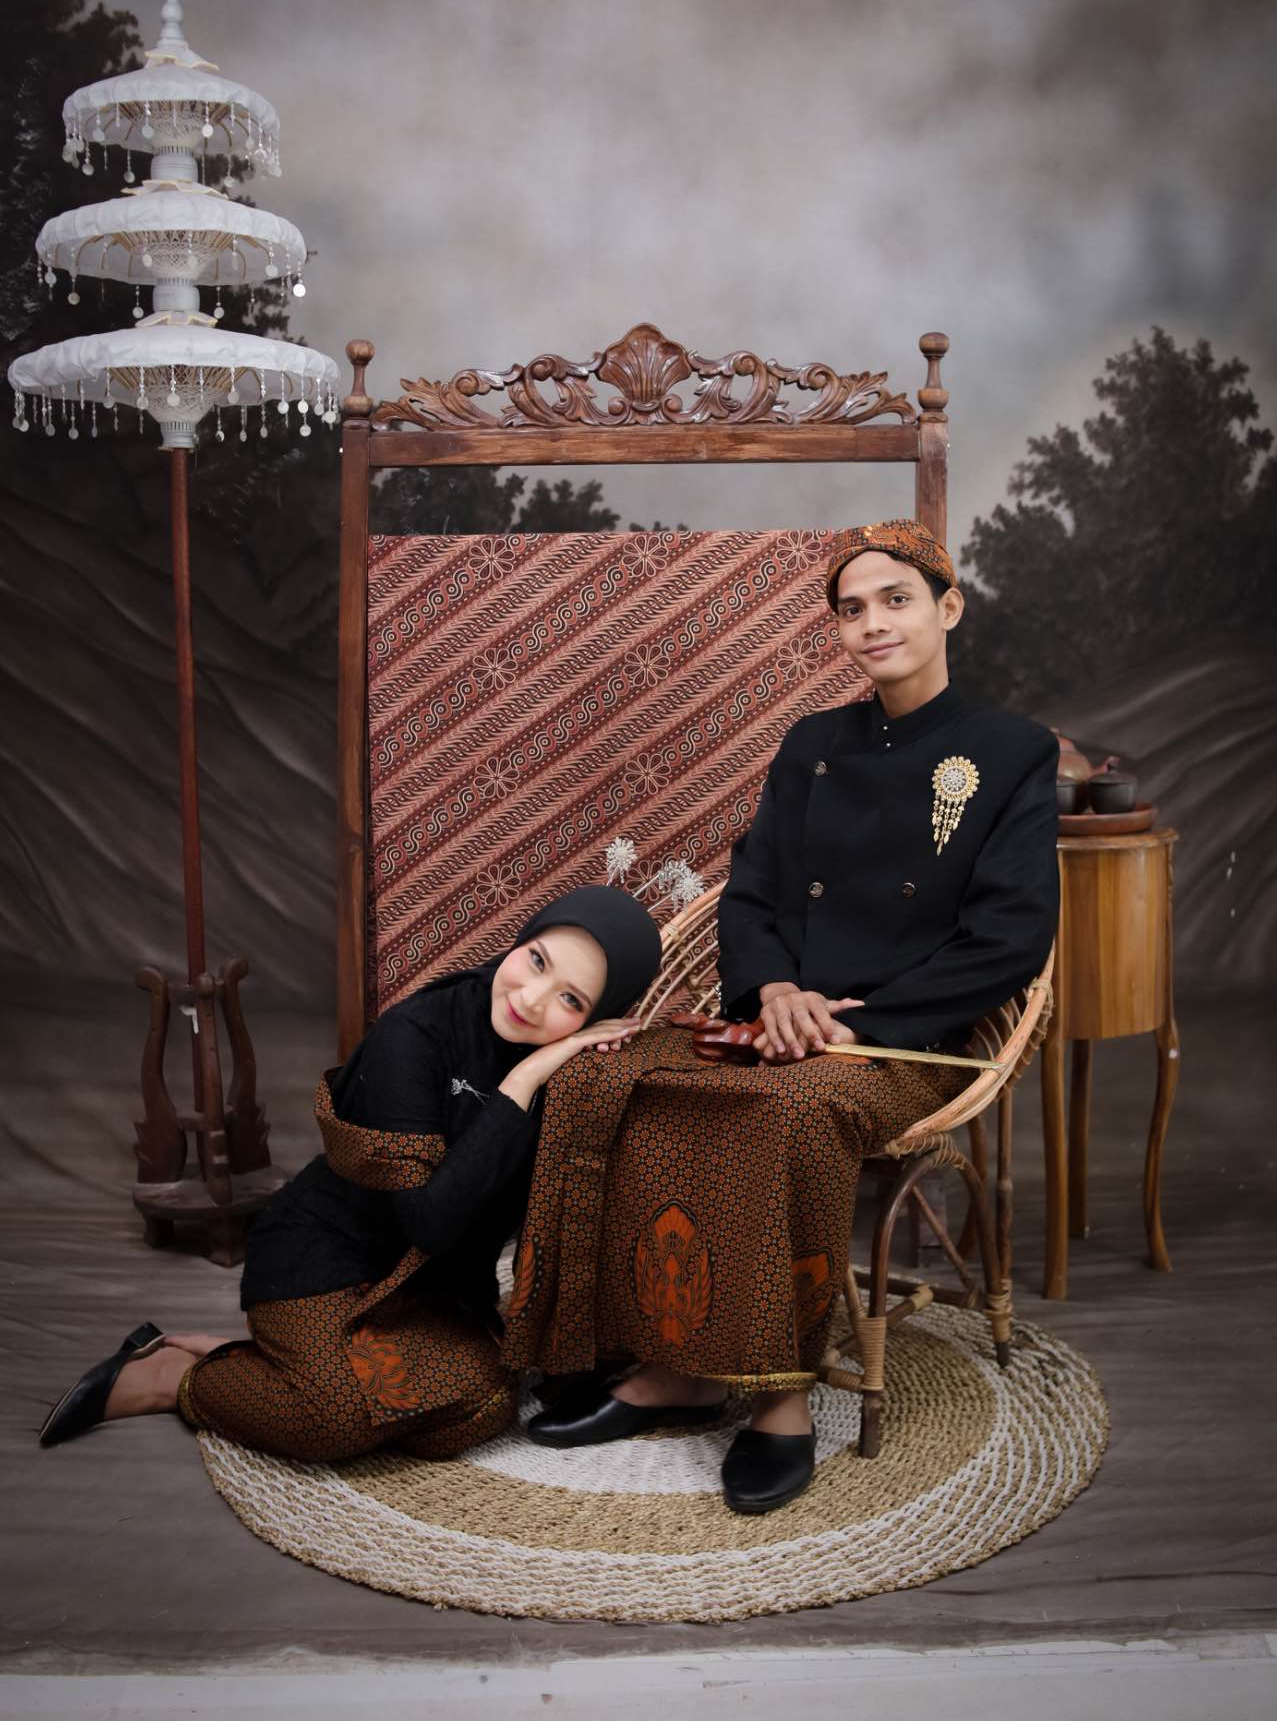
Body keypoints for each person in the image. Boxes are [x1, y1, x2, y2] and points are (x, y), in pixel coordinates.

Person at [511, 519, 1059, 1514]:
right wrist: (772, 991)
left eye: (894, 600)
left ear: (948, 608)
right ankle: (652, 1363)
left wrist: (855, 1023)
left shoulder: (1010, 752)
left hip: (903, 1039)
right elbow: (752, 894)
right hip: (776, 1017)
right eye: (850, 609)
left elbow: (1011, 936)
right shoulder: (812, 744)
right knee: (602, 1079)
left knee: (781, 1114)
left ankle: (777, 1401)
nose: (871, 623)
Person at [40, 887, 662, 1461]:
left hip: (435, 1292)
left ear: (599, 1016)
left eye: (571, 1000)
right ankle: (174, 1377)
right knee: (330, 1416)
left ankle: (264, 1362)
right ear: (521, 939)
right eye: (537, 961)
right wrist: (523, 1080)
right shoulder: (416, 1033)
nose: (531, 999)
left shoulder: (573, 1075)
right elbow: (429, 1223)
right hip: (328, 1259)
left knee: (484, 1408)